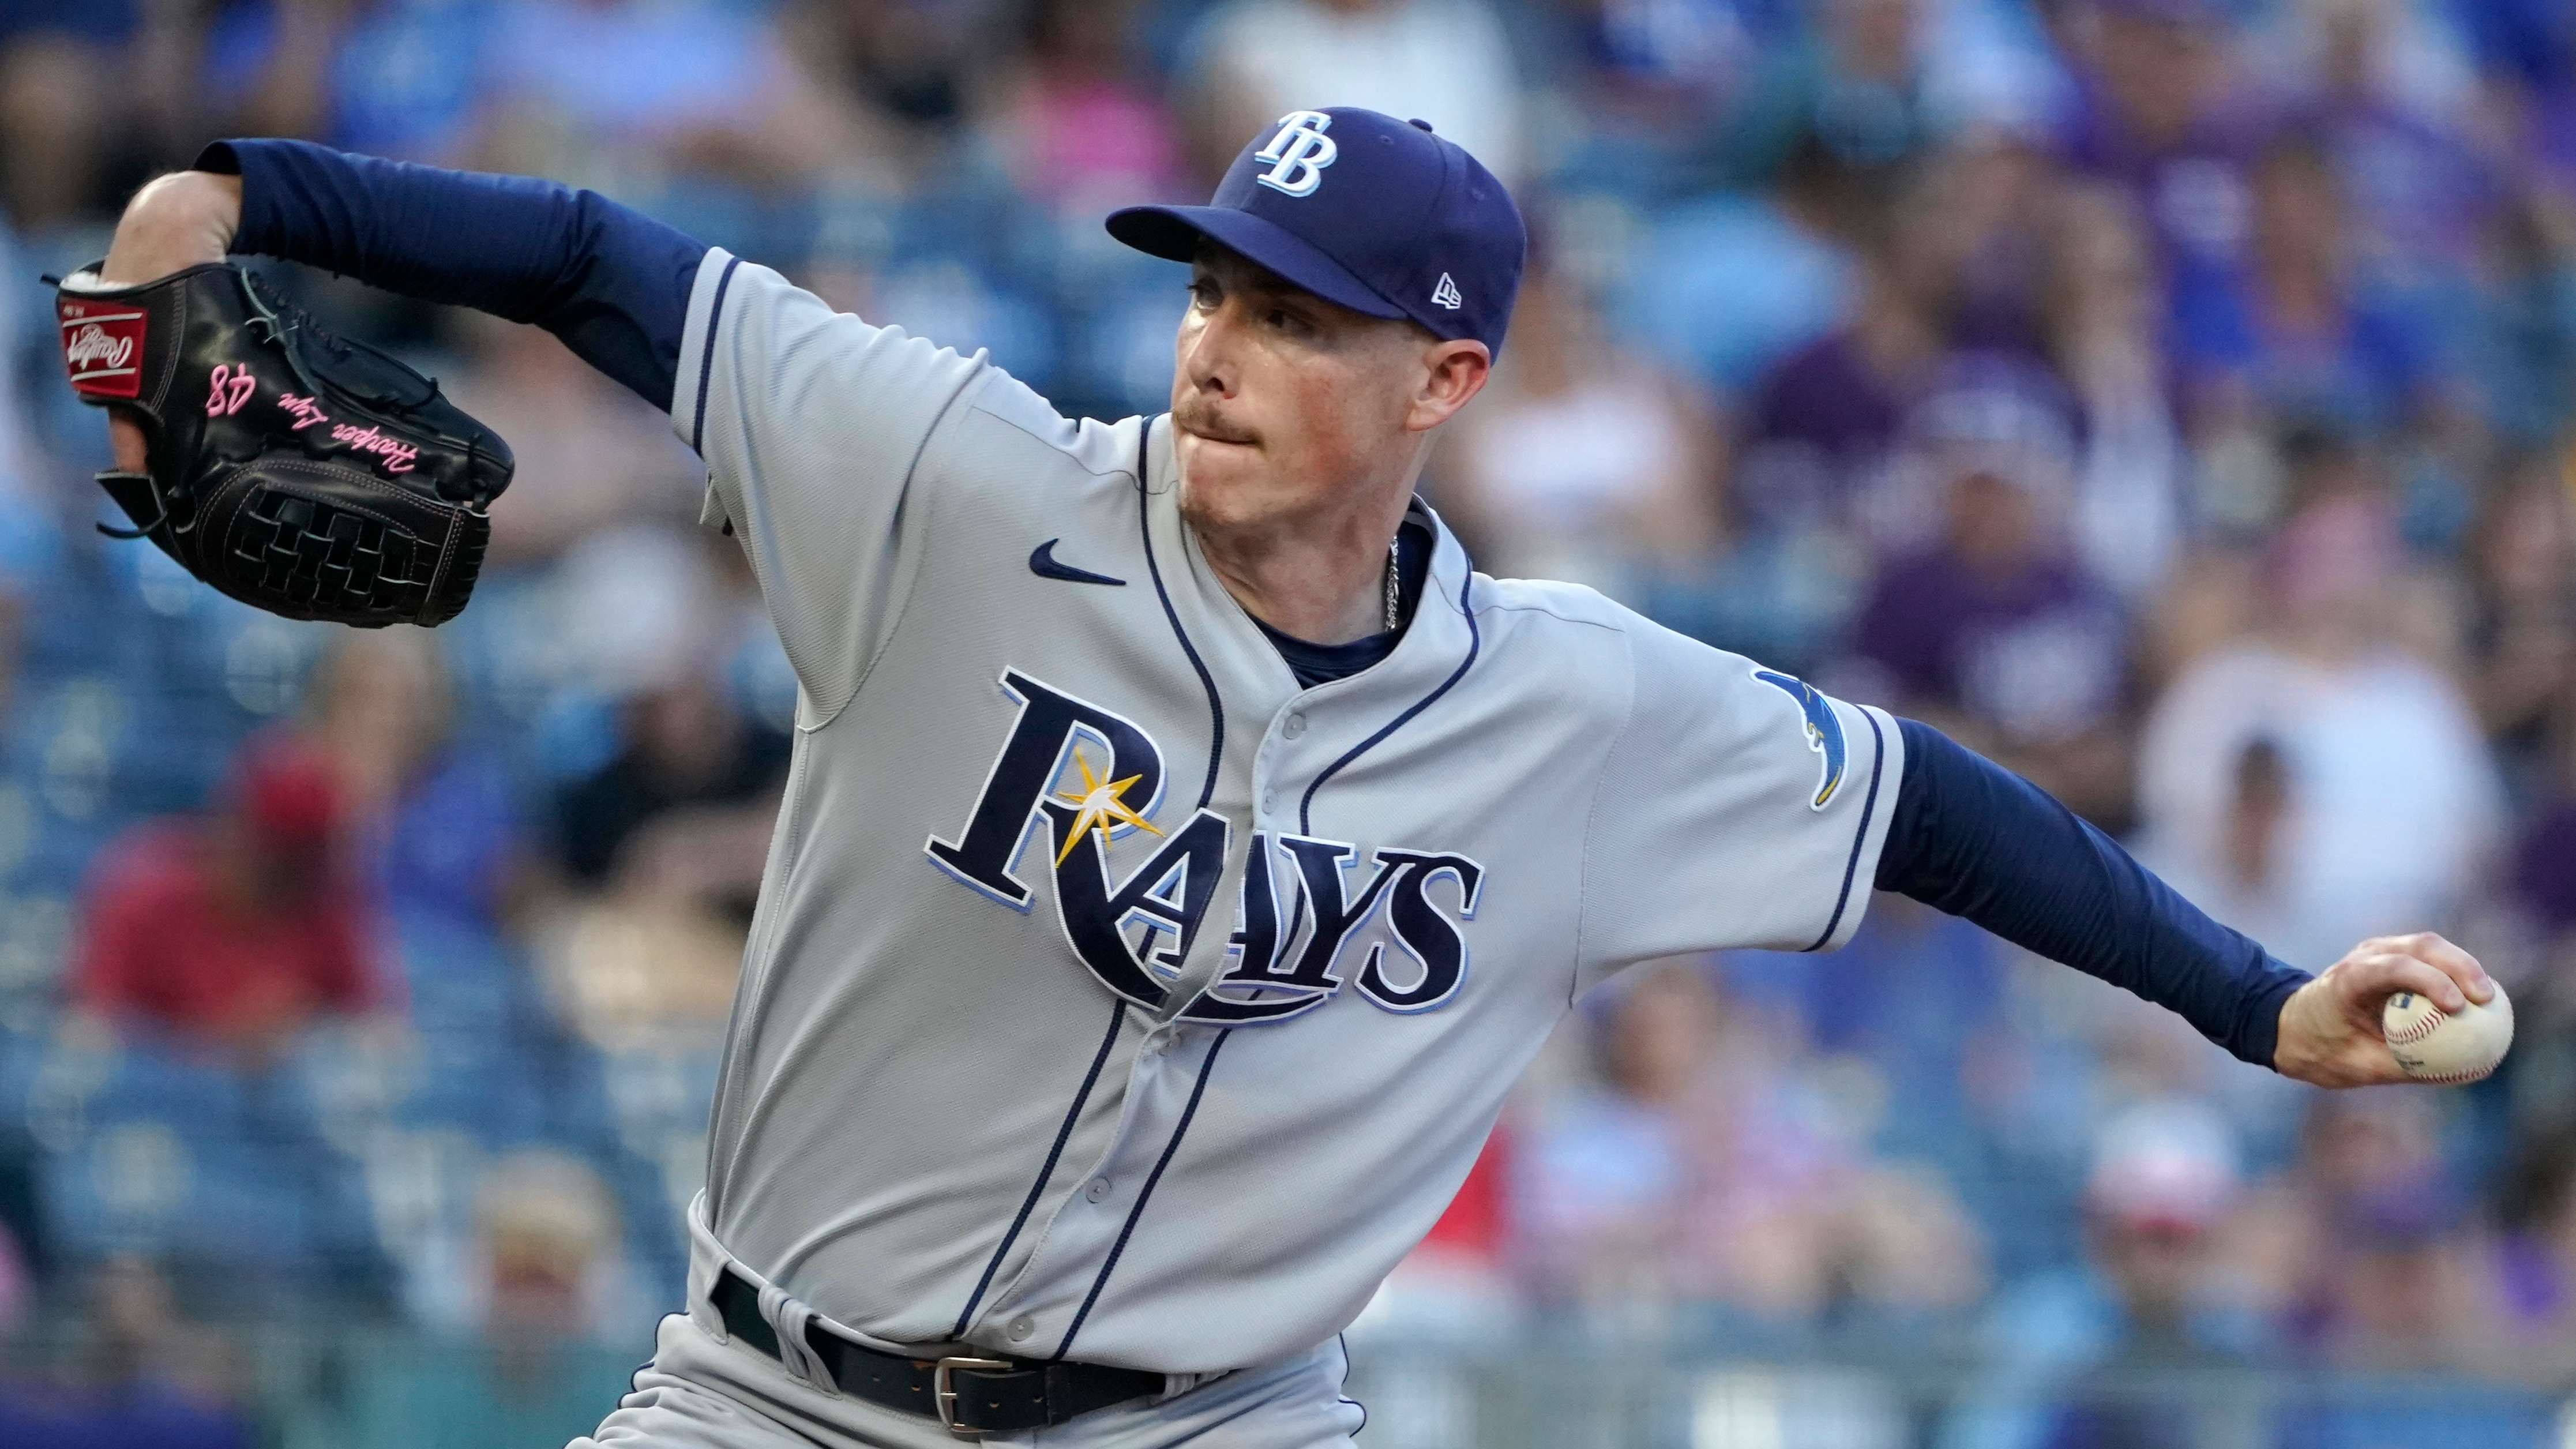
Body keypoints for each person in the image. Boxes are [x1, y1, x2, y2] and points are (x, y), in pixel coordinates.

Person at [86, 103, 2491, 1448]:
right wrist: (233, 197)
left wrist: (2251, 995)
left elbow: (1935, 809)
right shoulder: (951, 476)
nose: (1220, 346)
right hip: (767, 1400)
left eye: (1297, 317)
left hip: (1208, 1429)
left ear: (1445, 386)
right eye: (1213, 288)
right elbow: (605, 257)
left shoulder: (1581, 709)